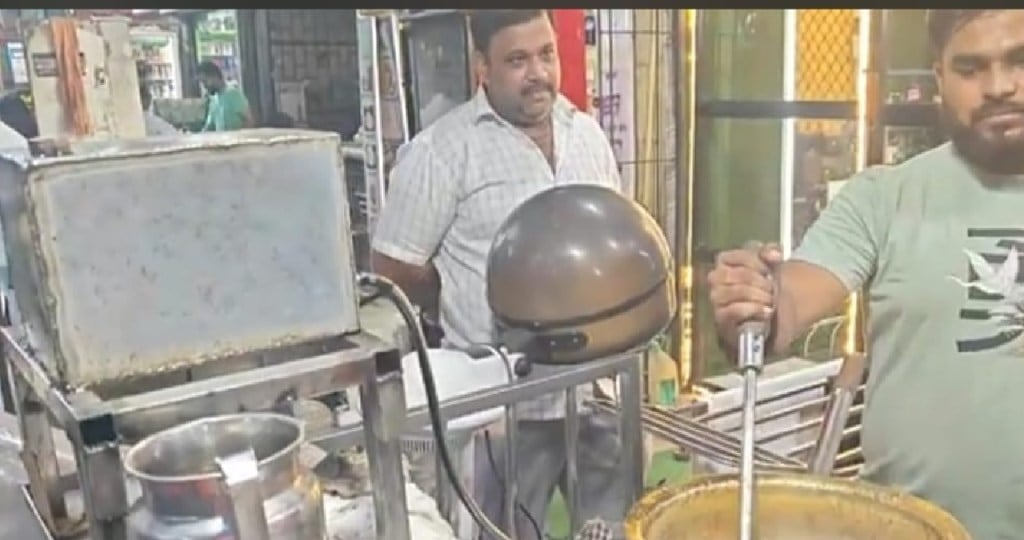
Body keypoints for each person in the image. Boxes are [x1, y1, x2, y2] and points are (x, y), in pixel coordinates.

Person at [708, 10, 1024, 540]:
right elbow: (789, 301)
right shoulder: (885, 198)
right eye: (970, 68)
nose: (999, 86)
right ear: (939, 77)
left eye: (1019, 61)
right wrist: (755, 299)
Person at [371, 10, 630, 539]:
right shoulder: (442, 153)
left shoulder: (586, 135)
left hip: (595, 391)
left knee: (615, 527)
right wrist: (456, 291)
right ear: (482, 67)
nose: (538, 73)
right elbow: (393, 269)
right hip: (506, 406)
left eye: (546, 54)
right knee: (507, 531)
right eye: (517, 60)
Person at [197, 60, 253, 132]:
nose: (204, 86)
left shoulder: (233, 94)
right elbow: (208, 127)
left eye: (205, 81)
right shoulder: (213, 100)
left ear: (215, 76)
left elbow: (249, 121)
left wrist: (238, 136)